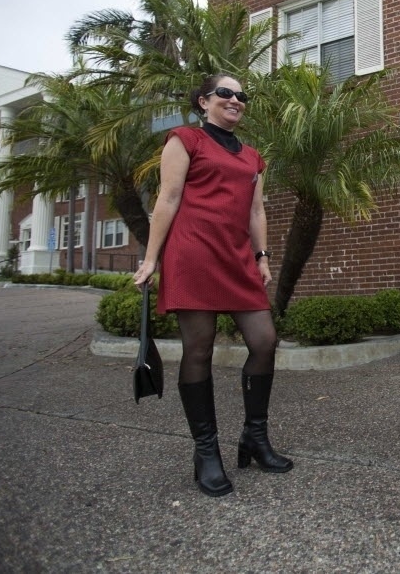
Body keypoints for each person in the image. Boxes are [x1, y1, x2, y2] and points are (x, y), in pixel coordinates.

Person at [133, 73, 292, 498]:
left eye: (242, 95)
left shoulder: (253, 157)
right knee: (198, 347)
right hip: (193, 251)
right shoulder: (185, 139)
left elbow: (256, 211)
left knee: (264, 340)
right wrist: (151, 259)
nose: (236, 99)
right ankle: (206, 452)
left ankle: (254, 437)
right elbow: (167, 198)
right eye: (226, 93)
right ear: (204, 102)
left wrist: (262, 256)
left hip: (238, 256)